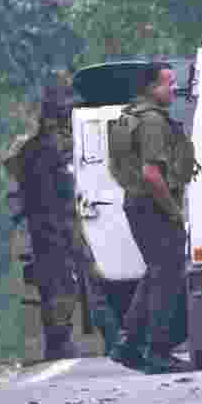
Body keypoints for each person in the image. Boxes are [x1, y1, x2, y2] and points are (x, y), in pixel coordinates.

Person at [15, 82, 121, 361]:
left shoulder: (48, 148)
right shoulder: (44, 151)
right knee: (65, 285)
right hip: (56, 227)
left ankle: (103, 339)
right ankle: (63, 342)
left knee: (81, 284)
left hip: (64, 224)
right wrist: (57, 229)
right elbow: (45, 196)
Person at [109, 62, 199, 374]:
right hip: (154, 205)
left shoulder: (134, 115)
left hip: (139, 204)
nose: (174, 88)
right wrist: (175, 213)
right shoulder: (151, 122)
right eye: (168, 83)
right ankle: (157, 351)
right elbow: (151, 173)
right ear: (150, 88)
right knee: (166, 279)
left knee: (156, 274)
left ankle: (128, 344)